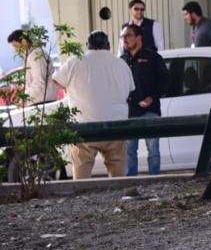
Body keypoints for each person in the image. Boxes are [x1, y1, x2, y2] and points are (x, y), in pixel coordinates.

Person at [52, 31, 135, 179]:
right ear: (108, 46)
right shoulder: (121, 64)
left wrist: (71, 88)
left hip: (84, 127)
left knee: (81, 172)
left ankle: (81, 197)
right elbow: (130, 89)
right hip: (116, 127)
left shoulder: (75, 61)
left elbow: (57, 80)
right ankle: (119, 198)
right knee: (117, 175)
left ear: (87, 46)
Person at [120, 23, 169, 176]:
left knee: (153, 151)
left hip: (150, 111)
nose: (125, 39)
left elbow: (165, 81)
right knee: (129, 152)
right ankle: (130, 183)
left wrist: (152, 98)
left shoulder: (153, 58)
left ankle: (154, 180)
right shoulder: (122, 60)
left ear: (139, 38)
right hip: (129, 112)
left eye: (128, 35)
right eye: (123, 36)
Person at [6, 29, 58, 105]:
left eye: (16, 46)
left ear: (24, 41)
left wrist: (24, 99)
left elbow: (38, 82)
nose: (16, 50)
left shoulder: (36, 54)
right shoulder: (30, 55)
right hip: (40, 101)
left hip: (43, 102)